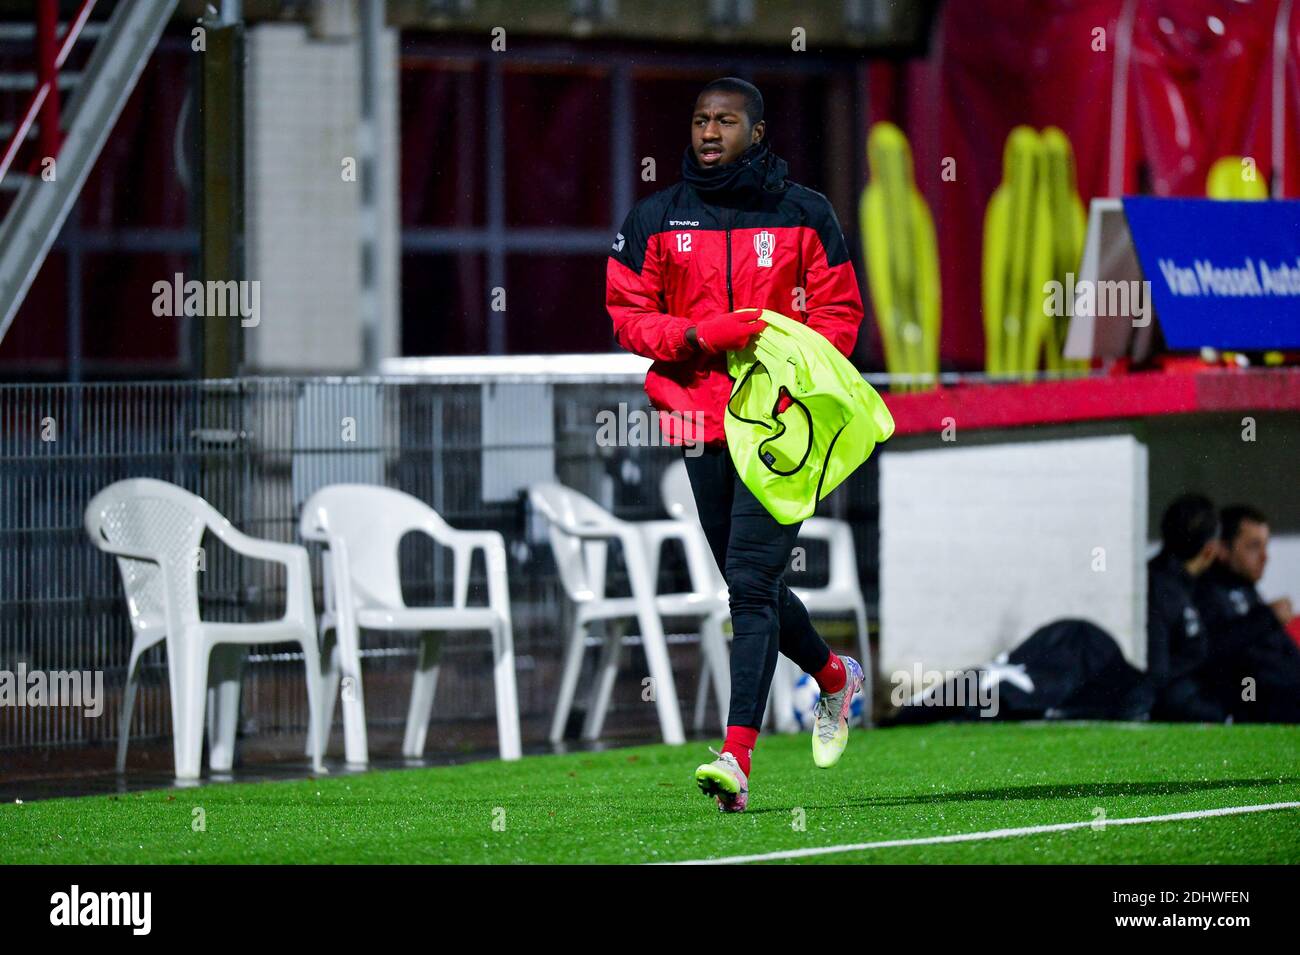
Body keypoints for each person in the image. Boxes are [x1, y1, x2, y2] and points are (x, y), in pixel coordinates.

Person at [605, 77, 866, 812]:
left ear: (756, 131)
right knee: (750, 583)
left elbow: (841, 316)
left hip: (783, 429)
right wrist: (696, 336)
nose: (708, 132)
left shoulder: (806, 212)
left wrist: (792, 384)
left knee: (749, 585)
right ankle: (836, 676)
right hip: (698, 420)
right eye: (698, 120)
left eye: (724, 121)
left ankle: (736, 757)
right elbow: (627, 317)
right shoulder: (656, 219)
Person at [1194, 505, 1300, 722]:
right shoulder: (1205, 590)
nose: (1264, 557)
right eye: (1253, 547)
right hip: (1248, 695)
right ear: (1223, 549)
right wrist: (1268, 617)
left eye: (1265, 546)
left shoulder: (1247, 589)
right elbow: (1215, 647)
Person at [1146, 493, 1227, 722]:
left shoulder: (1182, 584)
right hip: (1172, 702)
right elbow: (1157, 674)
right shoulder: (1161, 590)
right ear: (1209, 550)